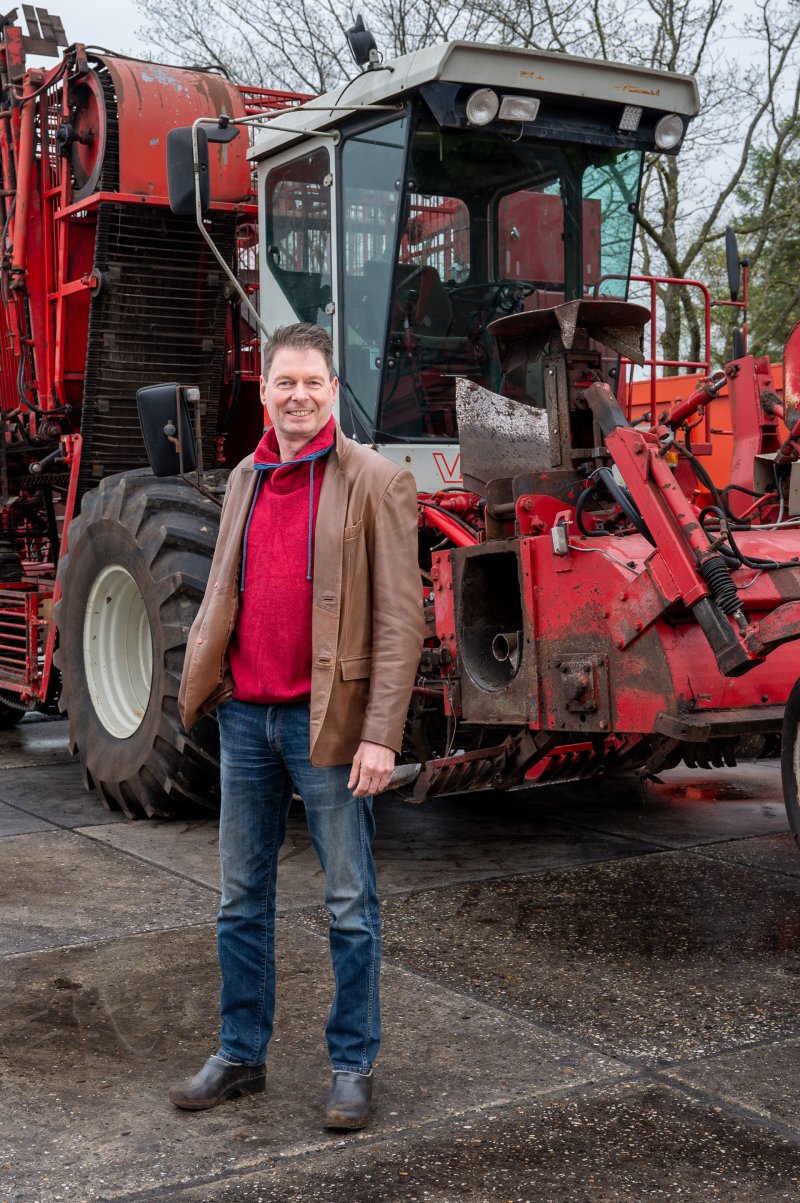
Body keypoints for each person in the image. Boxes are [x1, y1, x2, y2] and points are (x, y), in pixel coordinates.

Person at [170, 322, 423, 1131]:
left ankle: (353, 1065)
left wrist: (381, 732)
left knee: (350, 902)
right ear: (267, 389)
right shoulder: (247, 474)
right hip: (247, 717)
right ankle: (241, 1053)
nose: (300, 396)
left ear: (331, 389)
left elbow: (400, 621)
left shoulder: (377, 481)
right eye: (286, 383)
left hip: (331, 726)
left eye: (314, 382)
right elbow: (225, 588)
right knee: (241, 901)